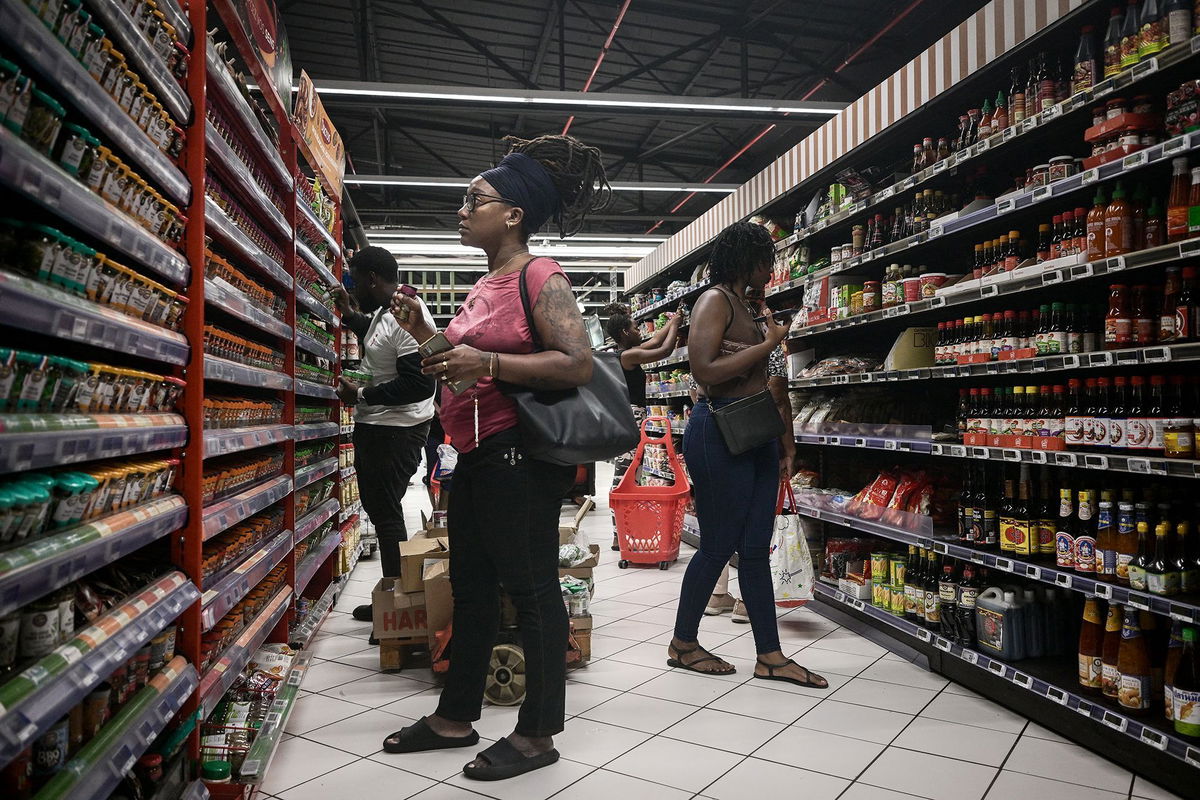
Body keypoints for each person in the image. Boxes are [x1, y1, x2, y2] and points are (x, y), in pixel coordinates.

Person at [382, 134, 610, 781]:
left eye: (473, 199)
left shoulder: (542, 275)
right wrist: (425, 330)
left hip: (518, 455)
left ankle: (538, 735)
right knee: (473, 589)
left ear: (512, 213)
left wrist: (486, 360)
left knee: (532, 590)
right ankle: (455, 717)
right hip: (475, 455)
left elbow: (577, 362)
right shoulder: (487, 284)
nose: (462, 209)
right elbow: (459, 375)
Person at [667, 221, 827, 690]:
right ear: (749, 259)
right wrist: (769, 343)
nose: (771, 269)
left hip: (755, 431)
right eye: (767, 260)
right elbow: (705, 370)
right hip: (718, 429)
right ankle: (683, 644)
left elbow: (773, 384)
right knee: (718, 544)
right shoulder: (715, 300)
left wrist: (784, 442)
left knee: (756, 548)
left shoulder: (753, 307)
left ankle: (771, 656)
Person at [334, 248, 438, 623]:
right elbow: (376, 335)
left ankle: (396, 605)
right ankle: (393, 597)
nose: (353, 284)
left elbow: (419, 385)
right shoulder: (384, 311)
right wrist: (349, 316)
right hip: (382, 426)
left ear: (373, 278)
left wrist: (360, 395)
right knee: (383, 511)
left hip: (396, 430)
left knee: (386, 513)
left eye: (355, 278)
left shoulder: (407, 314)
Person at [705, 289, 796, 622]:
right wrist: (788, 446)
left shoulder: (720, 336)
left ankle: (717, 594)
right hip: (756, 437)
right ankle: (745, 601)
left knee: (723, 518)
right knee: (754, 525)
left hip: (720, 435)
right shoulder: (766, 341)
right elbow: (779, 397)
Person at [604, 303, 682, 551]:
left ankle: (626, 530)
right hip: (631, 418)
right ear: (625, 333)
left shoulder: (627, 352)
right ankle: (620, 533)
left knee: (631, 473)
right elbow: (665, 348)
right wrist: (677, 326)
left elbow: (656, 339)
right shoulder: (627, 357)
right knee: (624, 475)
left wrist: (673, 319)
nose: (640, 331)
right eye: (636, 328)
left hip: (628, 417)